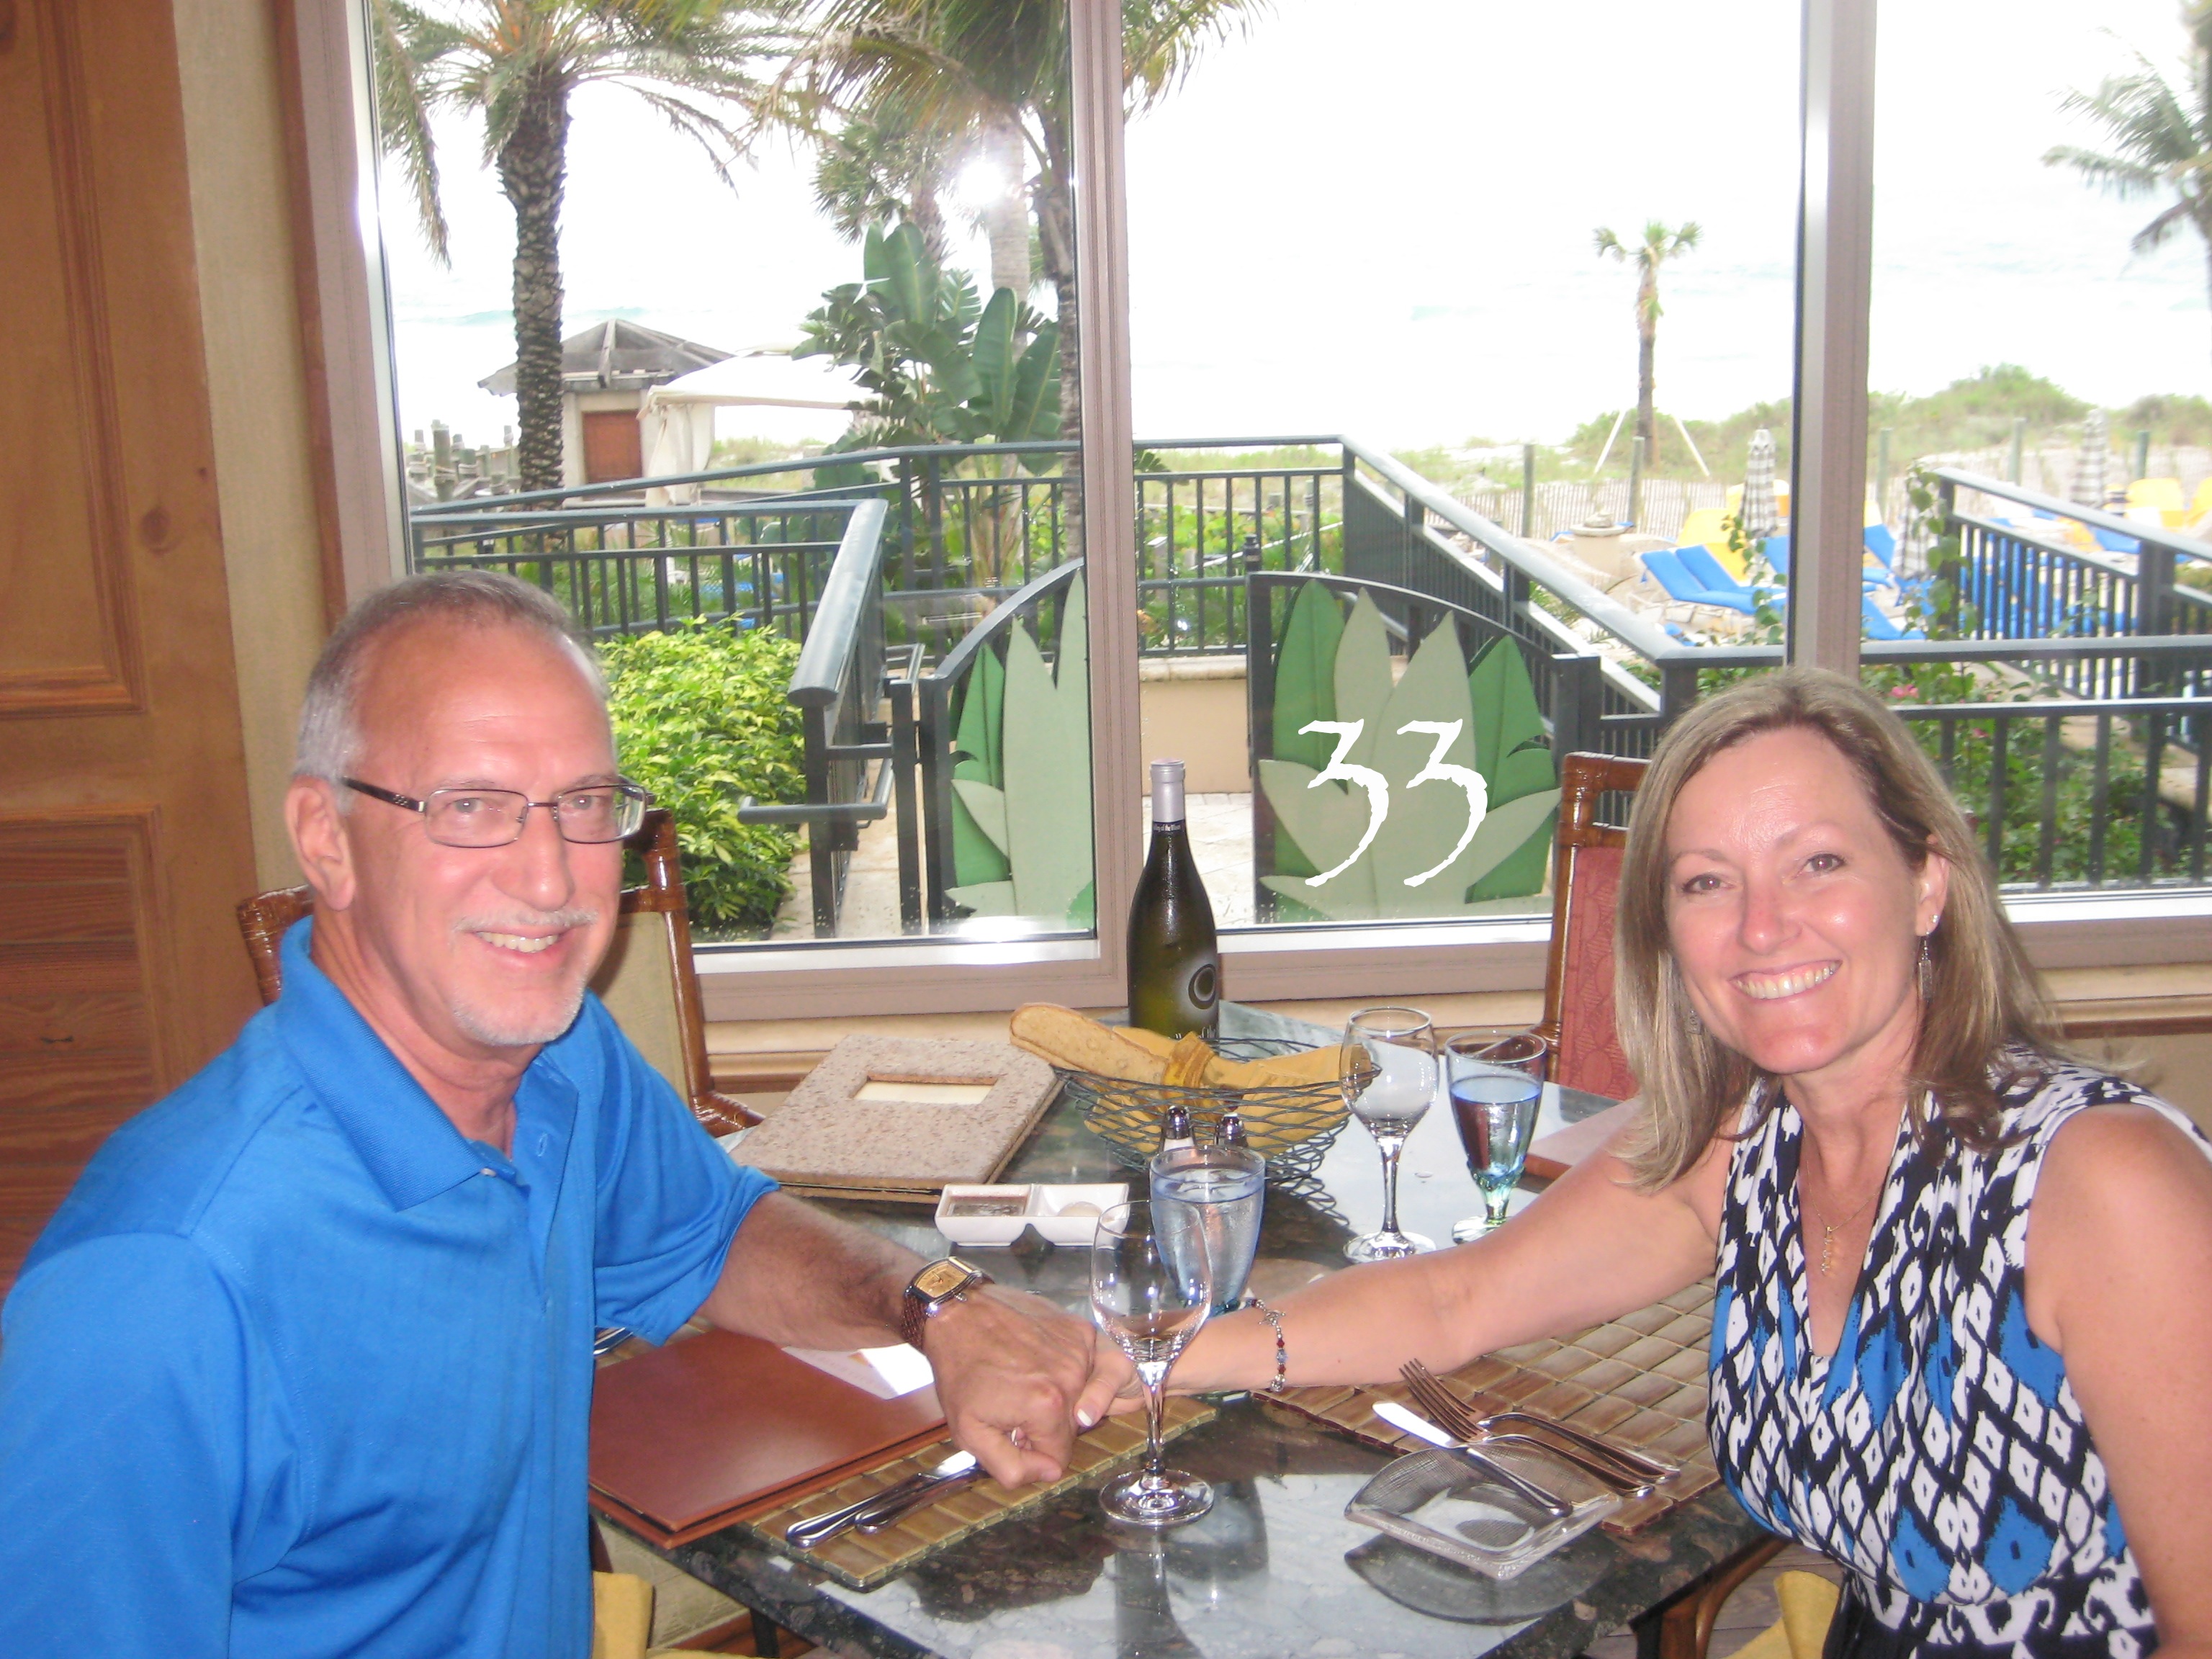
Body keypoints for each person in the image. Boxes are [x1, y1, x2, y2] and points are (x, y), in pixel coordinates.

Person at [0, 572, 1121, 1658]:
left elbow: (713, 1234)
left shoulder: (558, 1058)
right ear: (326, 837)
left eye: (584, 804)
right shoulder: (158, 1289)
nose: (551, 881)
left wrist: (941, 1309)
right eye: (470, 807)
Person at [1169, 668, 2212, 1658]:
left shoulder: (2098, 1181)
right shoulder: (1747, 1141)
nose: (1762, 927)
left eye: (1819, 863)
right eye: (1709, 882)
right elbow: (1459, 1300)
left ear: (1927, 882)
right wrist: (1151, 1361)